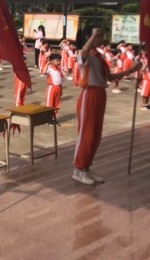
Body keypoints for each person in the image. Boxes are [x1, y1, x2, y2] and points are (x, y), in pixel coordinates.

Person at [72, 26, 140, 186]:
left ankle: (86, 167)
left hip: (100, 94)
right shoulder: (85, 55)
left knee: (96, 135)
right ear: (89, 37)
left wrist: (131, 70)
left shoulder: (99, 57)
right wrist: (93, 34)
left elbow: (109, 77)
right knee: (86, 133)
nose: (101, 38)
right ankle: (78, 169)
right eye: (98, 35)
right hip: (89, 95)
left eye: (101, 35)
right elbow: (84, 51)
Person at [44, 53, 63, 125]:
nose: (59, 62)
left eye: (59, 60)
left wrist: (61, 89)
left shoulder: (59, 69)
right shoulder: (50, 68)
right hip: (51, 88)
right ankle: (49, 119)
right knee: (50, 104)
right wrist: (47, 64)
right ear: (52, 61)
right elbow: (44, 72)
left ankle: (54, 118)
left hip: (58, 88)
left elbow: (60, 80)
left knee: (57, 104)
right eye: (57, 60)